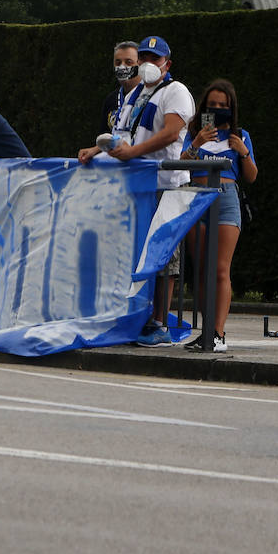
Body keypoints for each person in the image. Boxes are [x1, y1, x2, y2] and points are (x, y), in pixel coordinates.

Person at [91, 35, 195, 347]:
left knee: (164, 255)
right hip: (139, 185)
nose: (149, 64)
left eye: (155, 59)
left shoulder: (175, 91)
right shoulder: (137, 94)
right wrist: (96, 150)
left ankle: (161, 322)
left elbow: (171, 133)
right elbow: (122, 136)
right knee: (136, 252)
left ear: (167, 64)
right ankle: (139, 315)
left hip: (166, 184)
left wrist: (134, 154)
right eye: (145, 58)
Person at [180, 79, 257, 352]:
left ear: (231, 108)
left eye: (223, 105)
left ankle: (218, 333)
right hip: (197, 198)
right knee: (201, 269)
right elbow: (182, 164)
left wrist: (243, 152)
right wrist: (196, 143)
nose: (217, 109)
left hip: (225, 198)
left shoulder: (240, 135)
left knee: (221, 268)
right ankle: (206, 330)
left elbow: (251, 176)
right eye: (212, 104)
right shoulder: (195, 132)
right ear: (204, 107)